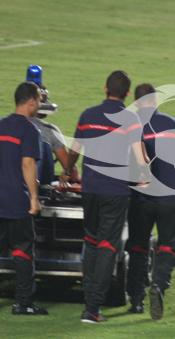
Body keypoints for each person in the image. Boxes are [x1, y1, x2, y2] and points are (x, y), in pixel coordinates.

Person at [61, 71, 146, 323]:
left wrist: (68, 170)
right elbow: (140, 158)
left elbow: (74, 151)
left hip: (90, 189)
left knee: (90, 241)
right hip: (115, 191)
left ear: (105, 89)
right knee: (108, 245)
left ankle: (89, 299)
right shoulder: (131, 119)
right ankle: (93, 307)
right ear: (127, 93)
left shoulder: (87, 115)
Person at [0, 81, 48, 316]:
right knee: (23, 251)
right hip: (15, 199)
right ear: (31, 102)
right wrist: (34, 198)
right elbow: (28, 164)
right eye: (39, 99)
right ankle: (22, 303)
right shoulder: (29, 130)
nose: (40, 103)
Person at [125, 83, 175, 319]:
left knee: (138, 248)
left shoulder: (129, 126)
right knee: (168, 246)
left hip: (140, 199)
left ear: (136, 102)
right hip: (168, 199)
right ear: (155, 100)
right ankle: (158, 284)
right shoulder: (172, 124)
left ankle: (136, 301)